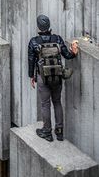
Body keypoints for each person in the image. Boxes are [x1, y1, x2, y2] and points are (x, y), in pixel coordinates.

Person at [28, 14, 79, 142]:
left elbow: (31, 60)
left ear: (38, 26)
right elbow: (67, 55)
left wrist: (32, 76)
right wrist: (73, 52)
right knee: (57, 102)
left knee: (45, 104)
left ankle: (47, 132)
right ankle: (60, 132)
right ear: (49, 25)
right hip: (57, 76)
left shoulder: (34, 42)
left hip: (42, 77)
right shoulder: (57, 39)